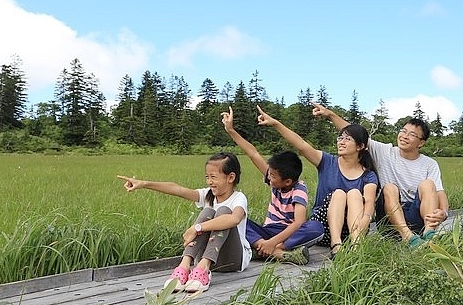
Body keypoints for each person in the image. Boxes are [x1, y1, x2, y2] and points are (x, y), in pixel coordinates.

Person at [312, 102, 449, 249]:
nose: (404, 136)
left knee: (428, 184)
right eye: (403, 131)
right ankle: (408, 238)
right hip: (390, 218)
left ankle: (429, 235)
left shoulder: (430, 163)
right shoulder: (385, 152)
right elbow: (356, 135)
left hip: (418, 217)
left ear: (421, 143)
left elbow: (439, 192)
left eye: (412, 134)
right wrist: (330, 115)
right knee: (389, 187)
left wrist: (444, 212)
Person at [117, 152, 252, 293]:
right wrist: (144, 184)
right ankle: (185, 265)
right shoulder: (208, 195)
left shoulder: (238, 198)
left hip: (233, 260)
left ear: (230, 177)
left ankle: (203, 268)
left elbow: (234, 219)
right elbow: (177, 189)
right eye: (207, 177)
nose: (209, 181)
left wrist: (197, 227)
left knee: (224, 212)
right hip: (207, 258)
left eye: (213, 177)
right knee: (207, 212)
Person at [256, 105, 378, 258]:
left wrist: (364, 223)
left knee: (354, 194)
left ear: (360, 146)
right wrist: (276, 124)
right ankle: (336, 246)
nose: (341, 142)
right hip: (324, 227)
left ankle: (356, 246)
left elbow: (370, 203)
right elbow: (301, 144)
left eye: (347, 139)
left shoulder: (368, 175)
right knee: (339, 194)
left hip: (355, 228)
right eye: (340, 138)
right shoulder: (327, 162)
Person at [221, 106, 324, 265]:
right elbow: (253, 153)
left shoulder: (299, 189)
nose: (269, 177)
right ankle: (277, 253)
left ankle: (267, 249)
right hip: (268, 231)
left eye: (273, 176)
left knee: (316, 227)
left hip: (289, 234)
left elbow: (298, 222)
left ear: (288, 181)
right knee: (234, 218)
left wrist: (273, 243)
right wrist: (230, 130)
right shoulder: (273, 178)